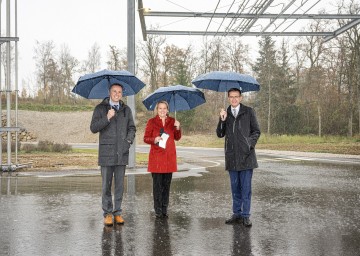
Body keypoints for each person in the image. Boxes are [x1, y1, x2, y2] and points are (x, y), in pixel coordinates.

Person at [90, 83, 136, 226]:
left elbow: (132, 128)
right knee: (106, 186)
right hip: (106, 153)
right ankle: (108, 213)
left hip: (121, 153)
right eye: (114, 91)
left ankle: (118, 213)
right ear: (109, 92)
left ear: (122, 94)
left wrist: (128, 141)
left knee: (119, 186)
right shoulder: (100, 109)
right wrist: (107, 118)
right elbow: (93, 128)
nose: (117, 94)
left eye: (120, 92)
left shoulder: (126, 110)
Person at [216, 88, 260, 227]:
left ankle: (246, 215)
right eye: (231, 97)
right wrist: (222, 120)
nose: (234, 99)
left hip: (247, 157)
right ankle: (237, 214)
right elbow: (220, 134)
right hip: (232, 157)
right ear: (228, 98)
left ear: (241, 98)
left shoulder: (249, 111)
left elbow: (256, 131)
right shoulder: (225, 113)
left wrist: (249, 144)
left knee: (245, 188)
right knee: (235, 188)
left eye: (236, 96)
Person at [143, 100, 181, 218]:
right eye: (160, 108)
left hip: (169, 158)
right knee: (157, 186)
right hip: (157, 159)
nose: (162, 111)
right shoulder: (152, 122)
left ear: (168, 110)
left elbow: (177, 137)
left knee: (166, 186)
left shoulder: (172, 121)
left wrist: (178, 128)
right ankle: (158, 210)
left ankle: (165, 209)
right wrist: (154, 139)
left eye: (165, 108)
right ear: (157, 110)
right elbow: (146, 138)